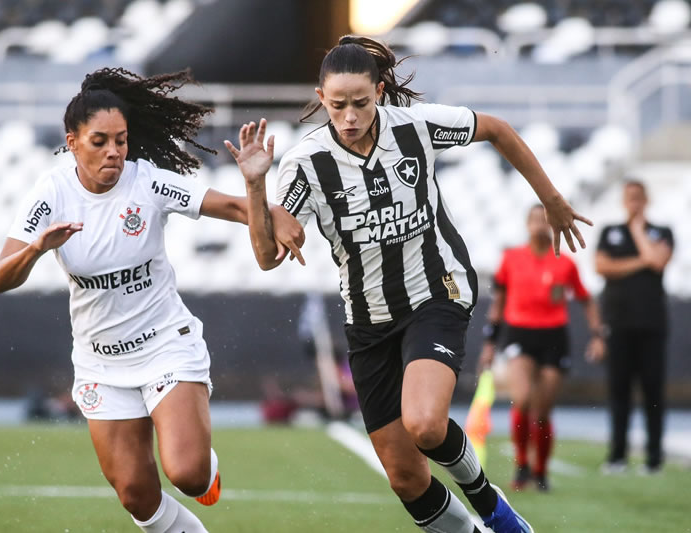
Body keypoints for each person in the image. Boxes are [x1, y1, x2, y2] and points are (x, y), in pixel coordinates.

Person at [226, 35, 591, 533]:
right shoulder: (306, 164)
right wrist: (255, 187)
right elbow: (267, 257)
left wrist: (551, 199)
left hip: (435, 291)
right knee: (404, 476)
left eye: (360, 102)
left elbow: (500, 130)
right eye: (338, 106)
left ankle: (495, 511)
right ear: (321, 98)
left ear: (379, 91)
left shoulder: (417, 127)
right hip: (369, 321)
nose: (350, 116)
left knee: (424, 424)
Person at [0, 67, 303, 533]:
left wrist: (263, 195)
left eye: (121, 139)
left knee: (189, 475)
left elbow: (234, 207)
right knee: (138, 497)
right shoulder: (51, 195)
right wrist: (37, 249)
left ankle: (203, 462)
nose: (114, 151)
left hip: (164, 347)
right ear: (72, 141)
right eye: (100, 141)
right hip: (100, 363)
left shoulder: (149, 183)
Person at [478, 205, 605, 492]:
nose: (538, 225)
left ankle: (541, 471)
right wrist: (489, 344)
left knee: (543, 410)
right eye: (534, 219)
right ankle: (522, 464)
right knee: (522, 400)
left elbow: (586, 300)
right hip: (518, 334)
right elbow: (497, 304)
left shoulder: (565, 263)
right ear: (526, 223)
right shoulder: (511, 259)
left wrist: (597, 335)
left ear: (551, 224)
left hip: (553, 337)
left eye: (543, 220)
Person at [595, 179, 673, 474]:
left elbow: (659, 261)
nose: (634, 203)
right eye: (629, 198)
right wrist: (643, 259)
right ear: (623, 200)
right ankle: (617, 456)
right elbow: (602, 266)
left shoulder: (661, 232)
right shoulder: (610, 232)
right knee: (619, 392)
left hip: (652, 325)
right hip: (618, 324)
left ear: (646, 200)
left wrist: (639, 233)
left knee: (653, 391)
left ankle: (654, 459)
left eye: (639, 198)